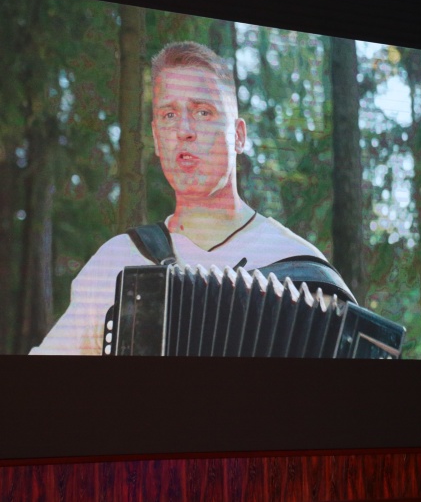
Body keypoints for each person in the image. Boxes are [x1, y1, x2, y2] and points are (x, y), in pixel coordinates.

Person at [31, 41, 338, 355]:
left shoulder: (302, 270)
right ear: (156, 138)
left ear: (239, 136)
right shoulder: (117, 261)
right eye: (168, 115)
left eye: (203, 112)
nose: (184, 130)